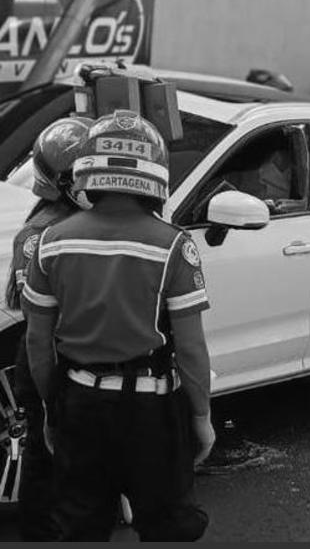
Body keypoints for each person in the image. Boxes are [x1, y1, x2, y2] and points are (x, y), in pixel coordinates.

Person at [22, 109, 215, 541]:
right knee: (168, 527)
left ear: (89, 169)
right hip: (153, 413)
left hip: (80, 405)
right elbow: (190, 348)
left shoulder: (50, 243)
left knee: (80, 526)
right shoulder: (173, 247)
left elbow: (38, 343)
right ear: (155, 175)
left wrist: (54, 411)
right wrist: (201, 416)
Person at [4, 115, 93, 540]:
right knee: (54, 449)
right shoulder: (47, 231)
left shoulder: (39, 224)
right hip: (56, 353)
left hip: (49, 350)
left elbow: (15, 302)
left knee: (53, 449)